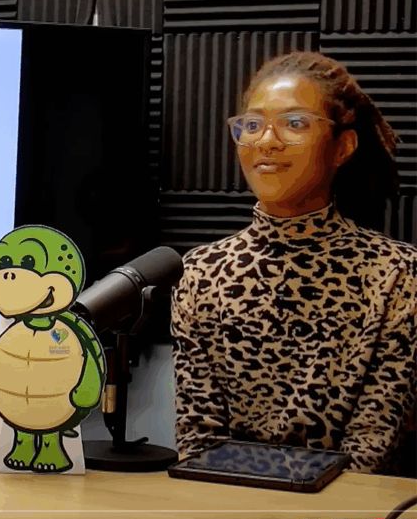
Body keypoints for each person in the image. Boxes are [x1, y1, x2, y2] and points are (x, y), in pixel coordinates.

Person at [171, 51, 417, 476]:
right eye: (252, 124)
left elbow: (371, 449)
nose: (266, 140)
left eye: (295, 123)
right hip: (225, 506)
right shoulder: (200, 272)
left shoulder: (396, 275)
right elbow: (198, 441)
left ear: (343, 146)